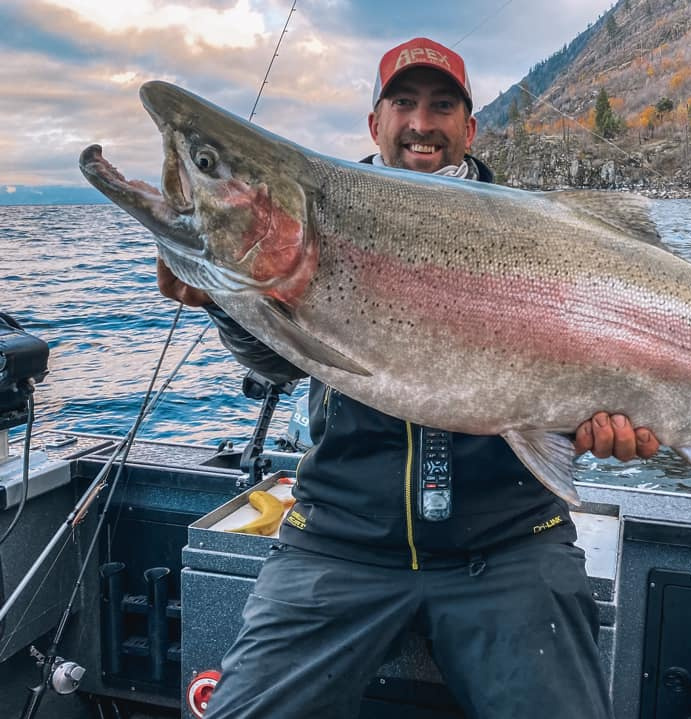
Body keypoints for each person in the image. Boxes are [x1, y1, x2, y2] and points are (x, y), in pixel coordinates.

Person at [158, 37, 659, 719]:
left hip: (511, 539)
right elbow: (280, 360)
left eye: (442, 106)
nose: (422, 123)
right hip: (339, 538)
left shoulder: (531, 229)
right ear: (375, 123)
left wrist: (603, 422)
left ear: (469, 128)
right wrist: (227, 298)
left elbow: (581, 366)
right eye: (404, 103)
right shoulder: (316, 209)